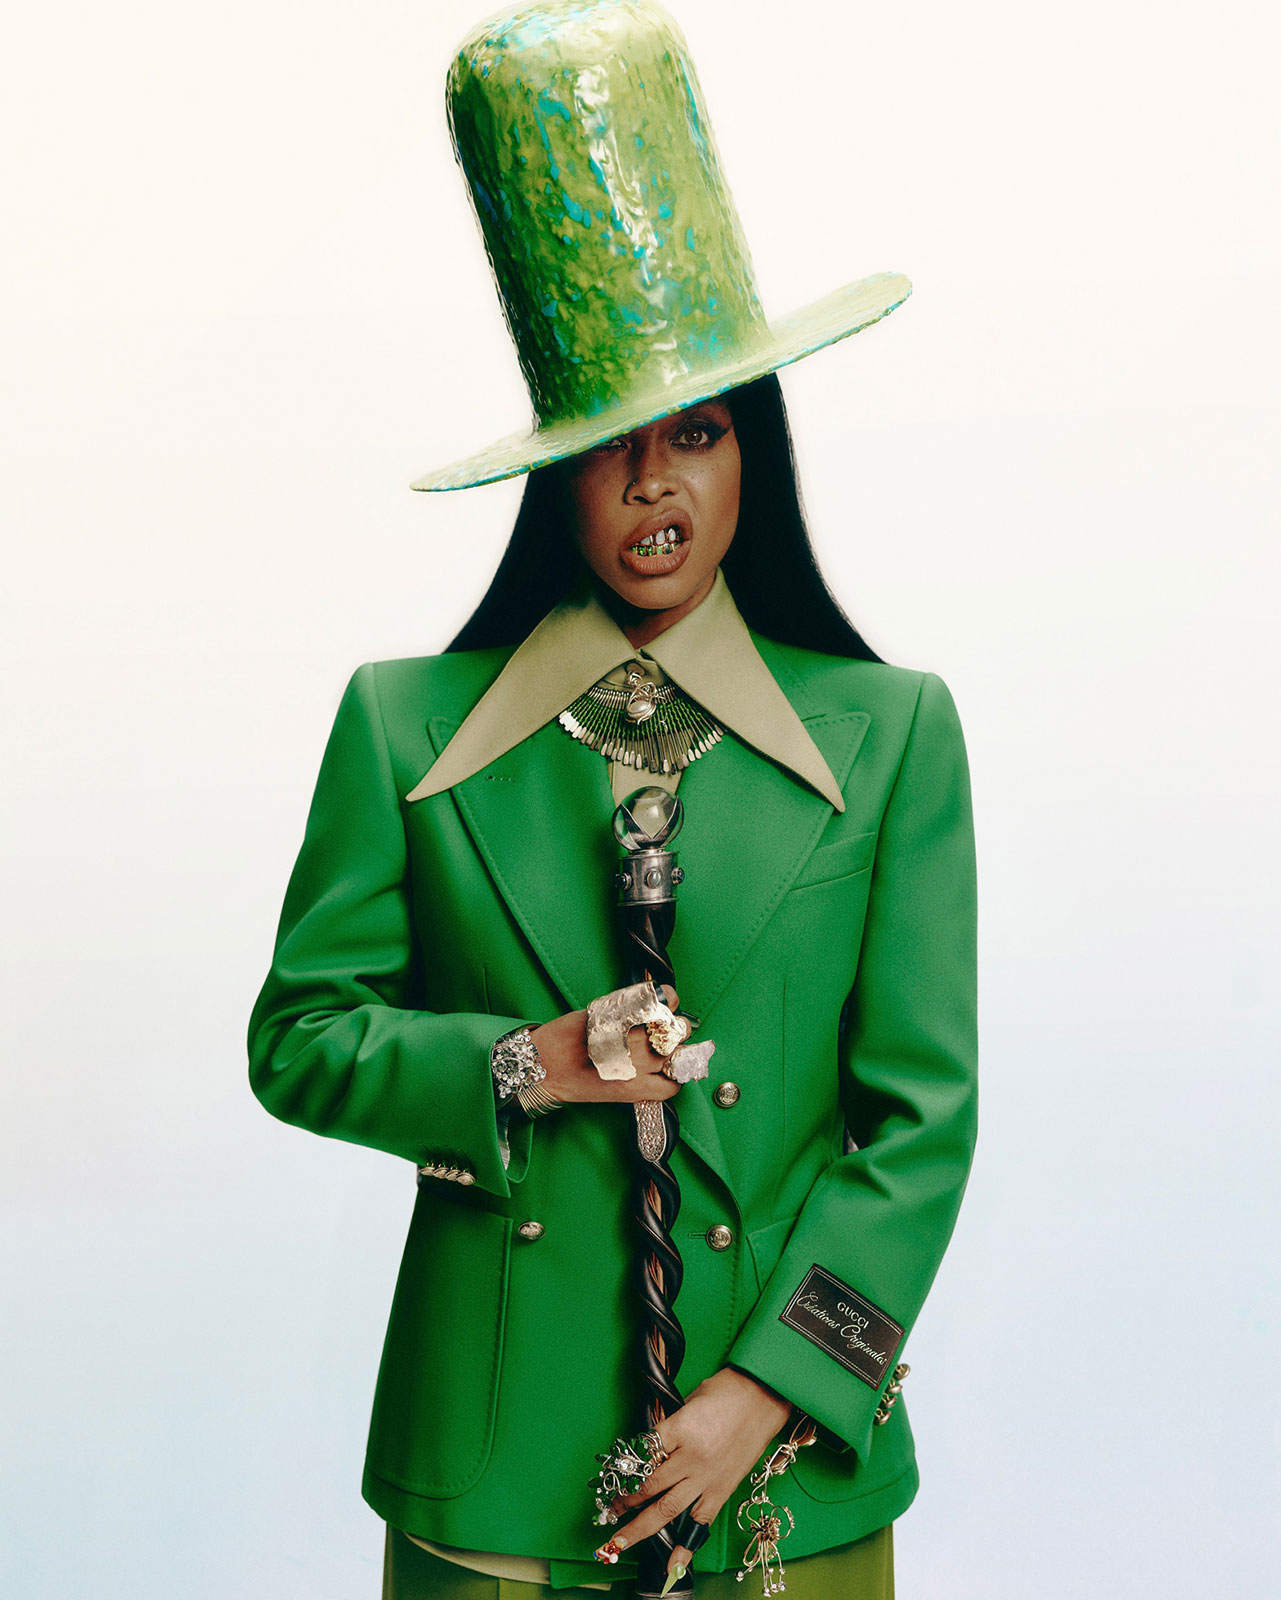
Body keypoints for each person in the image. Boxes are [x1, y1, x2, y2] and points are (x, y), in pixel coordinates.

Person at [247, 3, 978, 1598]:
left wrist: (770, 1391)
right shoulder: (401, 726)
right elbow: (298, 1042)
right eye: (609, 449)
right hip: (491, 1463)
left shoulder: (891, 733)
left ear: (750, 455)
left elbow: (921, 1126)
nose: (655, 487)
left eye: (697, 435)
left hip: (785, 1472)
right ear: (552, 475)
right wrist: (528, 1063)